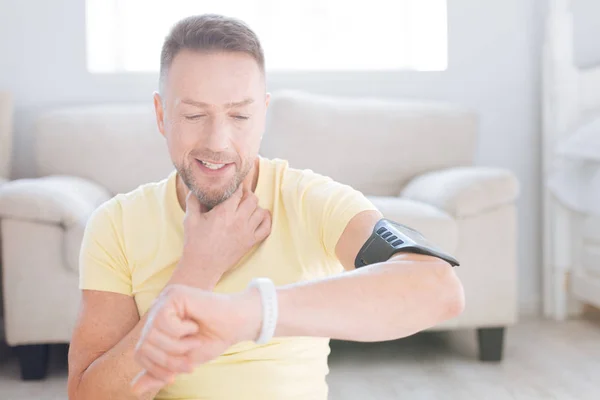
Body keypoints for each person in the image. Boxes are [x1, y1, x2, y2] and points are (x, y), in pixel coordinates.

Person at [66, 13, 465, 400]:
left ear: (263, 115)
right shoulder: (116, 224)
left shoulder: (312, 201)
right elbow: (89, 396)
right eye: (193, 114)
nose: (218, 141)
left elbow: (438, 289)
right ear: (160, 115)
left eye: (239, 115)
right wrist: (199, 268)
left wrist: (250, 313)